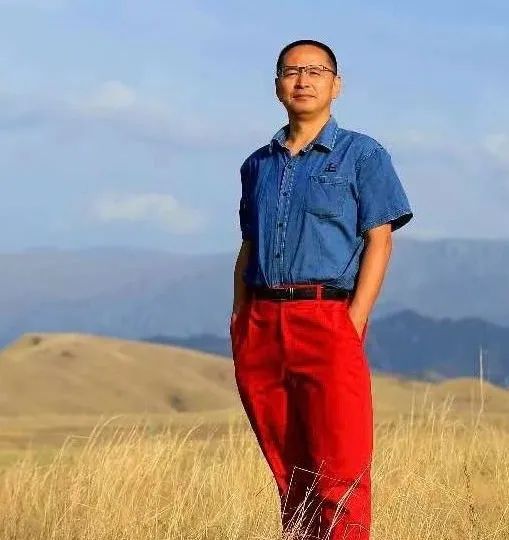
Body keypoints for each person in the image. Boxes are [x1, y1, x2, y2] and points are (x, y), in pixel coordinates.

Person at [229, 39, 413, 540]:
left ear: (337, 84)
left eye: (315, 71)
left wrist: (354, 320)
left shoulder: (363, 154)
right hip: (262, 324)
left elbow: (380, 239)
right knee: (289, 471)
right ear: (277, 85)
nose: (303, 80)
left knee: (341, 467)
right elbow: (249, 244)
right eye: (292, 71)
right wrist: (240, 319)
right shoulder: (257, 165)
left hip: (327, 317)